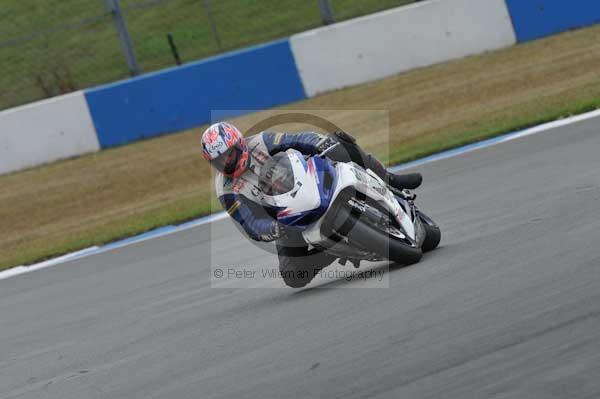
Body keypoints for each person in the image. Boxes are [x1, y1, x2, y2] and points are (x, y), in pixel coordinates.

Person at [201, 122, 422, 288]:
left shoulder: (260, 141)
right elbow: (249, 222)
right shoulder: (226, 190)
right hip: (286, 219)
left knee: (340, 141)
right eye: (218, 161)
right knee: (293, 278)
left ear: (239, 144)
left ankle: (390, 179)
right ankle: (331, 250)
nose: (225, 162)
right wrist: (270, 229)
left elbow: (296, 139)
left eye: (228, 155)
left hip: (308, 181)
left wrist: (320, 143)